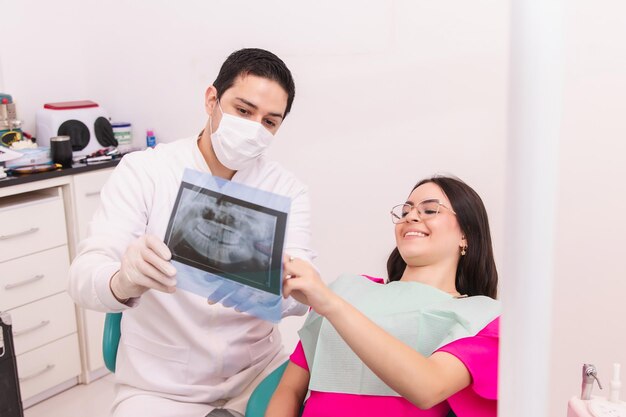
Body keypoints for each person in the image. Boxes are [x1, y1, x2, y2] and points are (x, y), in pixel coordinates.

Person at [68, 48, 315, 417]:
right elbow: (82, 278)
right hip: (161, 386)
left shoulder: (286, 189)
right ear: (211, 99)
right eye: (243, 111)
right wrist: (123, 280)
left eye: (269, 122)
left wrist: (277, 285)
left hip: (257, 374)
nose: (253, 128)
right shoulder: (147, 172)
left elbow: (301, 298)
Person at [267, 176, 500, 417]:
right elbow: (290, 389)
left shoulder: (482, 316)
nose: (411, 217)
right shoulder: (347, 289)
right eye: (405, 211)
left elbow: (429, 387)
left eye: (430, 209)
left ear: (466, 235)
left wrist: (330, 303)